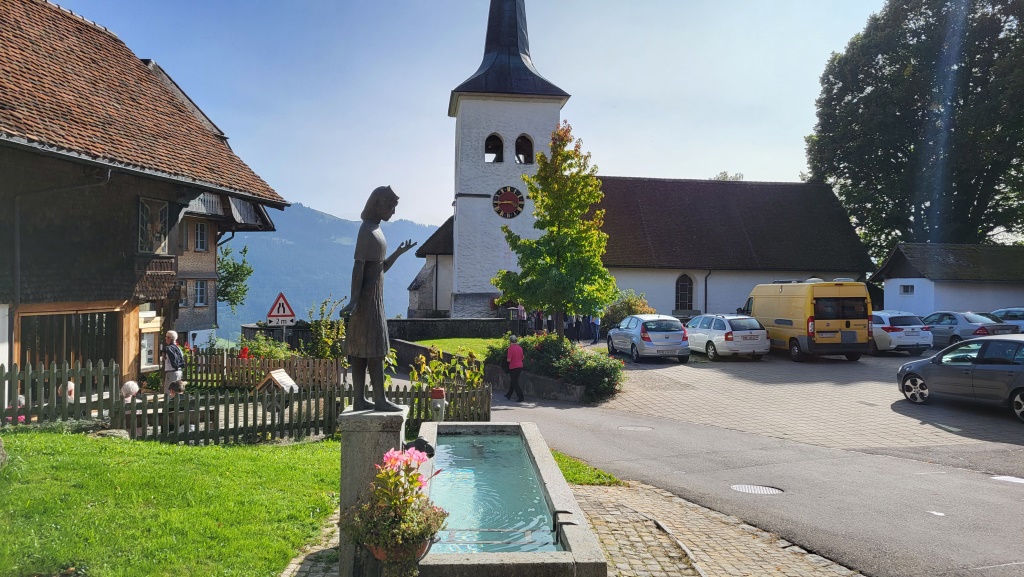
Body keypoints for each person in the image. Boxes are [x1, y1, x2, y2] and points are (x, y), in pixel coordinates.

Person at [339, 186, 417, 412]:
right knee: (373, 350)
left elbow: (379, 269)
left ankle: (360, 399)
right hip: (367, 301)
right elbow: (358, 267)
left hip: (373, 299)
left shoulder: (376, 230)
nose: (393, 211)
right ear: (378, 204)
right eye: (390, 206)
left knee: (364, 350)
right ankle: (378, 400)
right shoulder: (367, 230)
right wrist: (354, 300)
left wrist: (398, 253)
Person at [505, 335, 525, 402]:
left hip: (513, 366)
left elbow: (509, 360)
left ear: (510, 341)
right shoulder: (520, 348)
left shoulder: (510, 348)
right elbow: (522, 357)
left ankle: (521, 397)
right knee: (514, 381)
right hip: (520, 366)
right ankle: (508, 395)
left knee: (514, 382)